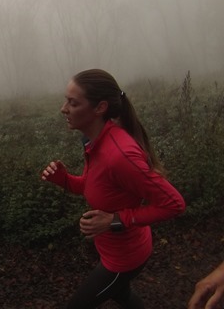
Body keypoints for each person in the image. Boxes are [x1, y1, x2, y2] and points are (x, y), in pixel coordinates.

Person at [41, 68, 185, 308]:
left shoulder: (120, 155)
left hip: (124, 259)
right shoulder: (93, 140)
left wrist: (114, 220)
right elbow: (94, 188)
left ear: (100, 108)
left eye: (72, 103)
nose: (63, 109)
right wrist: (64, 180)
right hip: (110, 249)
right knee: (122, 295)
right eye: (66, 100)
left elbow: (175, 204)